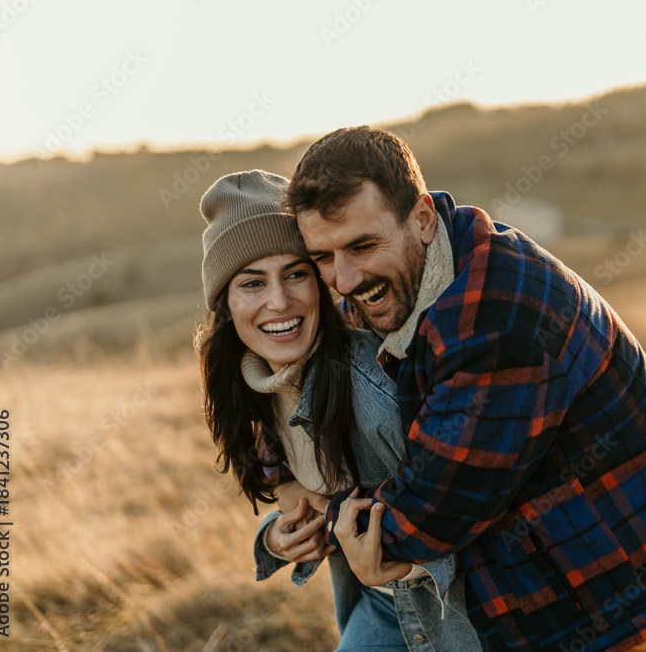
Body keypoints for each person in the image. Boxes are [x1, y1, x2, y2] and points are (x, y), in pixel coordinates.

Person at [277, 126, 646, 651]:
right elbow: (289, 372)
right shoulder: (418, 269)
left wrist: (329, 519)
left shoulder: (498, 319)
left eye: (362, 245)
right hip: (547, 595)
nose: (347, 279)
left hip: (637, 608)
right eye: (324, 257)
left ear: (422, 219)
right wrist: (278, 472)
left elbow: (431, 514)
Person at [194, 169, 481, 651]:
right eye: (252, 283)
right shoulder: (256, 385)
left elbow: (464, 517)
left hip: (455, 613)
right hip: (380, 606)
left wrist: (363, 532)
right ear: (225, 303)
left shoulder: (376, 389)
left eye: (295, 274)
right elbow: (294, 492)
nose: (278, 301)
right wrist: (276, 537)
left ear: (321, 282)